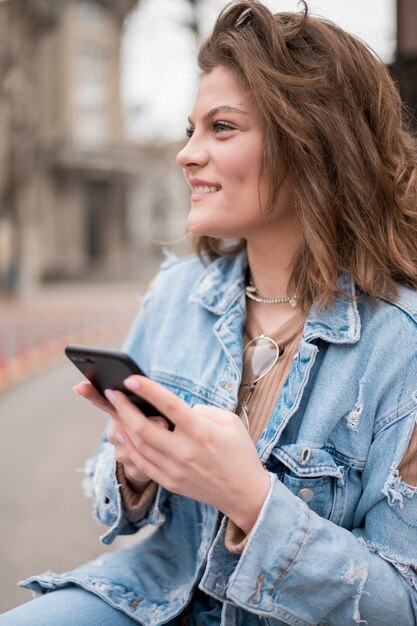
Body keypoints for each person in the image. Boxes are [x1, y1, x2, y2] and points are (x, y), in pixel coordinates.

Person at [3, 1, 417, 624]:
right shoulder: (177, 291)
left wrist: (252, 501)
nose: (186, 154)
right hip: (153, 596)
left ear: (313, 143)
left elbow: (399, 603)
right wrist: (131, 466)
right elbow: (106, 491)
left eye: (221, 128)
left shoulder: (401, 344)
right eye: (190, 129)